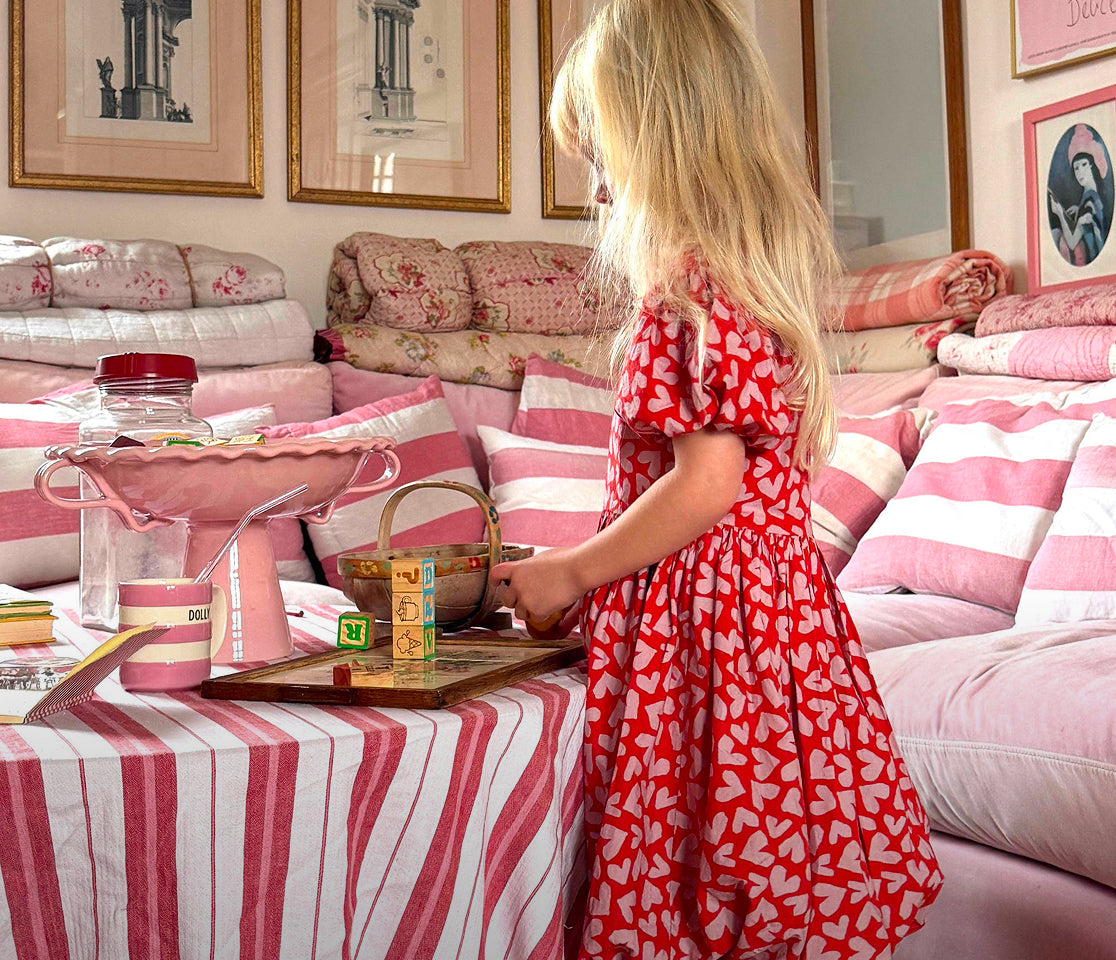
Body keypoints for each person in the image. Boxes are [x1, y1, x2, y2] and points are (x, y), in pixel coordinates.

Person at [490, 1, 943, 958]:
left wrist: (573, 570)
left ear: (659, 141)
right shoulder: (742, 279)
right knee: (763, 839)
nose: (601, 193)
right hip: (765, 612)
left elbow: (707, 486)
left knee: (700, 843)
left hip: (710, 616)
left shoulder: (690, 291)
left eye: (604, 159)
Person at [1049, 126, 1110, 266]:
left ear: (1092, 166)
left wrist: (1059, 213)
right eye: (1076, 168)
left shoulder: (1089, 202)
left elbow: (1071, 242)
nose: (1079, 172)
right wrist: (1080, 208)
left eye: (1083, 165)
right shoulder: (1092, 198)